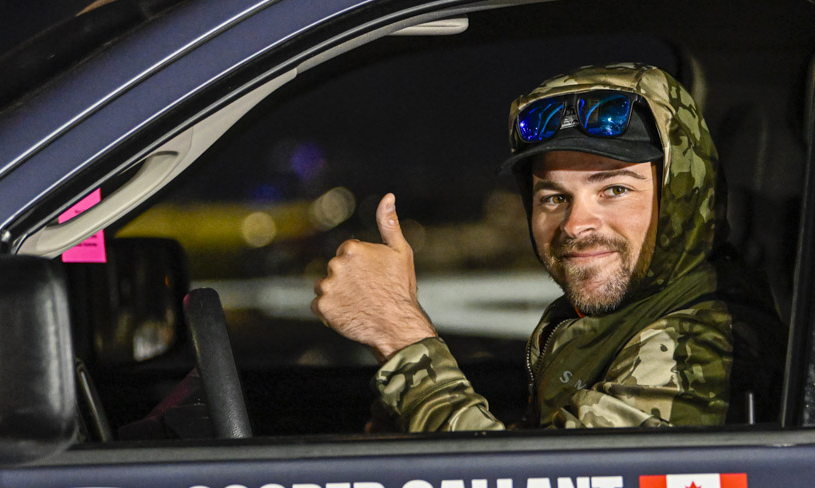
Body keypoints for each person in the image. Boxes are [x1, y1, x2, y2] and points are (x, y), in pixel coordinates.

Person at [311, 62, 787, 431]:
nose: (575, 224)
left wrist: (400, 335)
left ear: (681, 198)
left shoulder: (700, 343)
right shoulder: (610, 320)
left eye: (614, 189)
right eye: (554, 197)